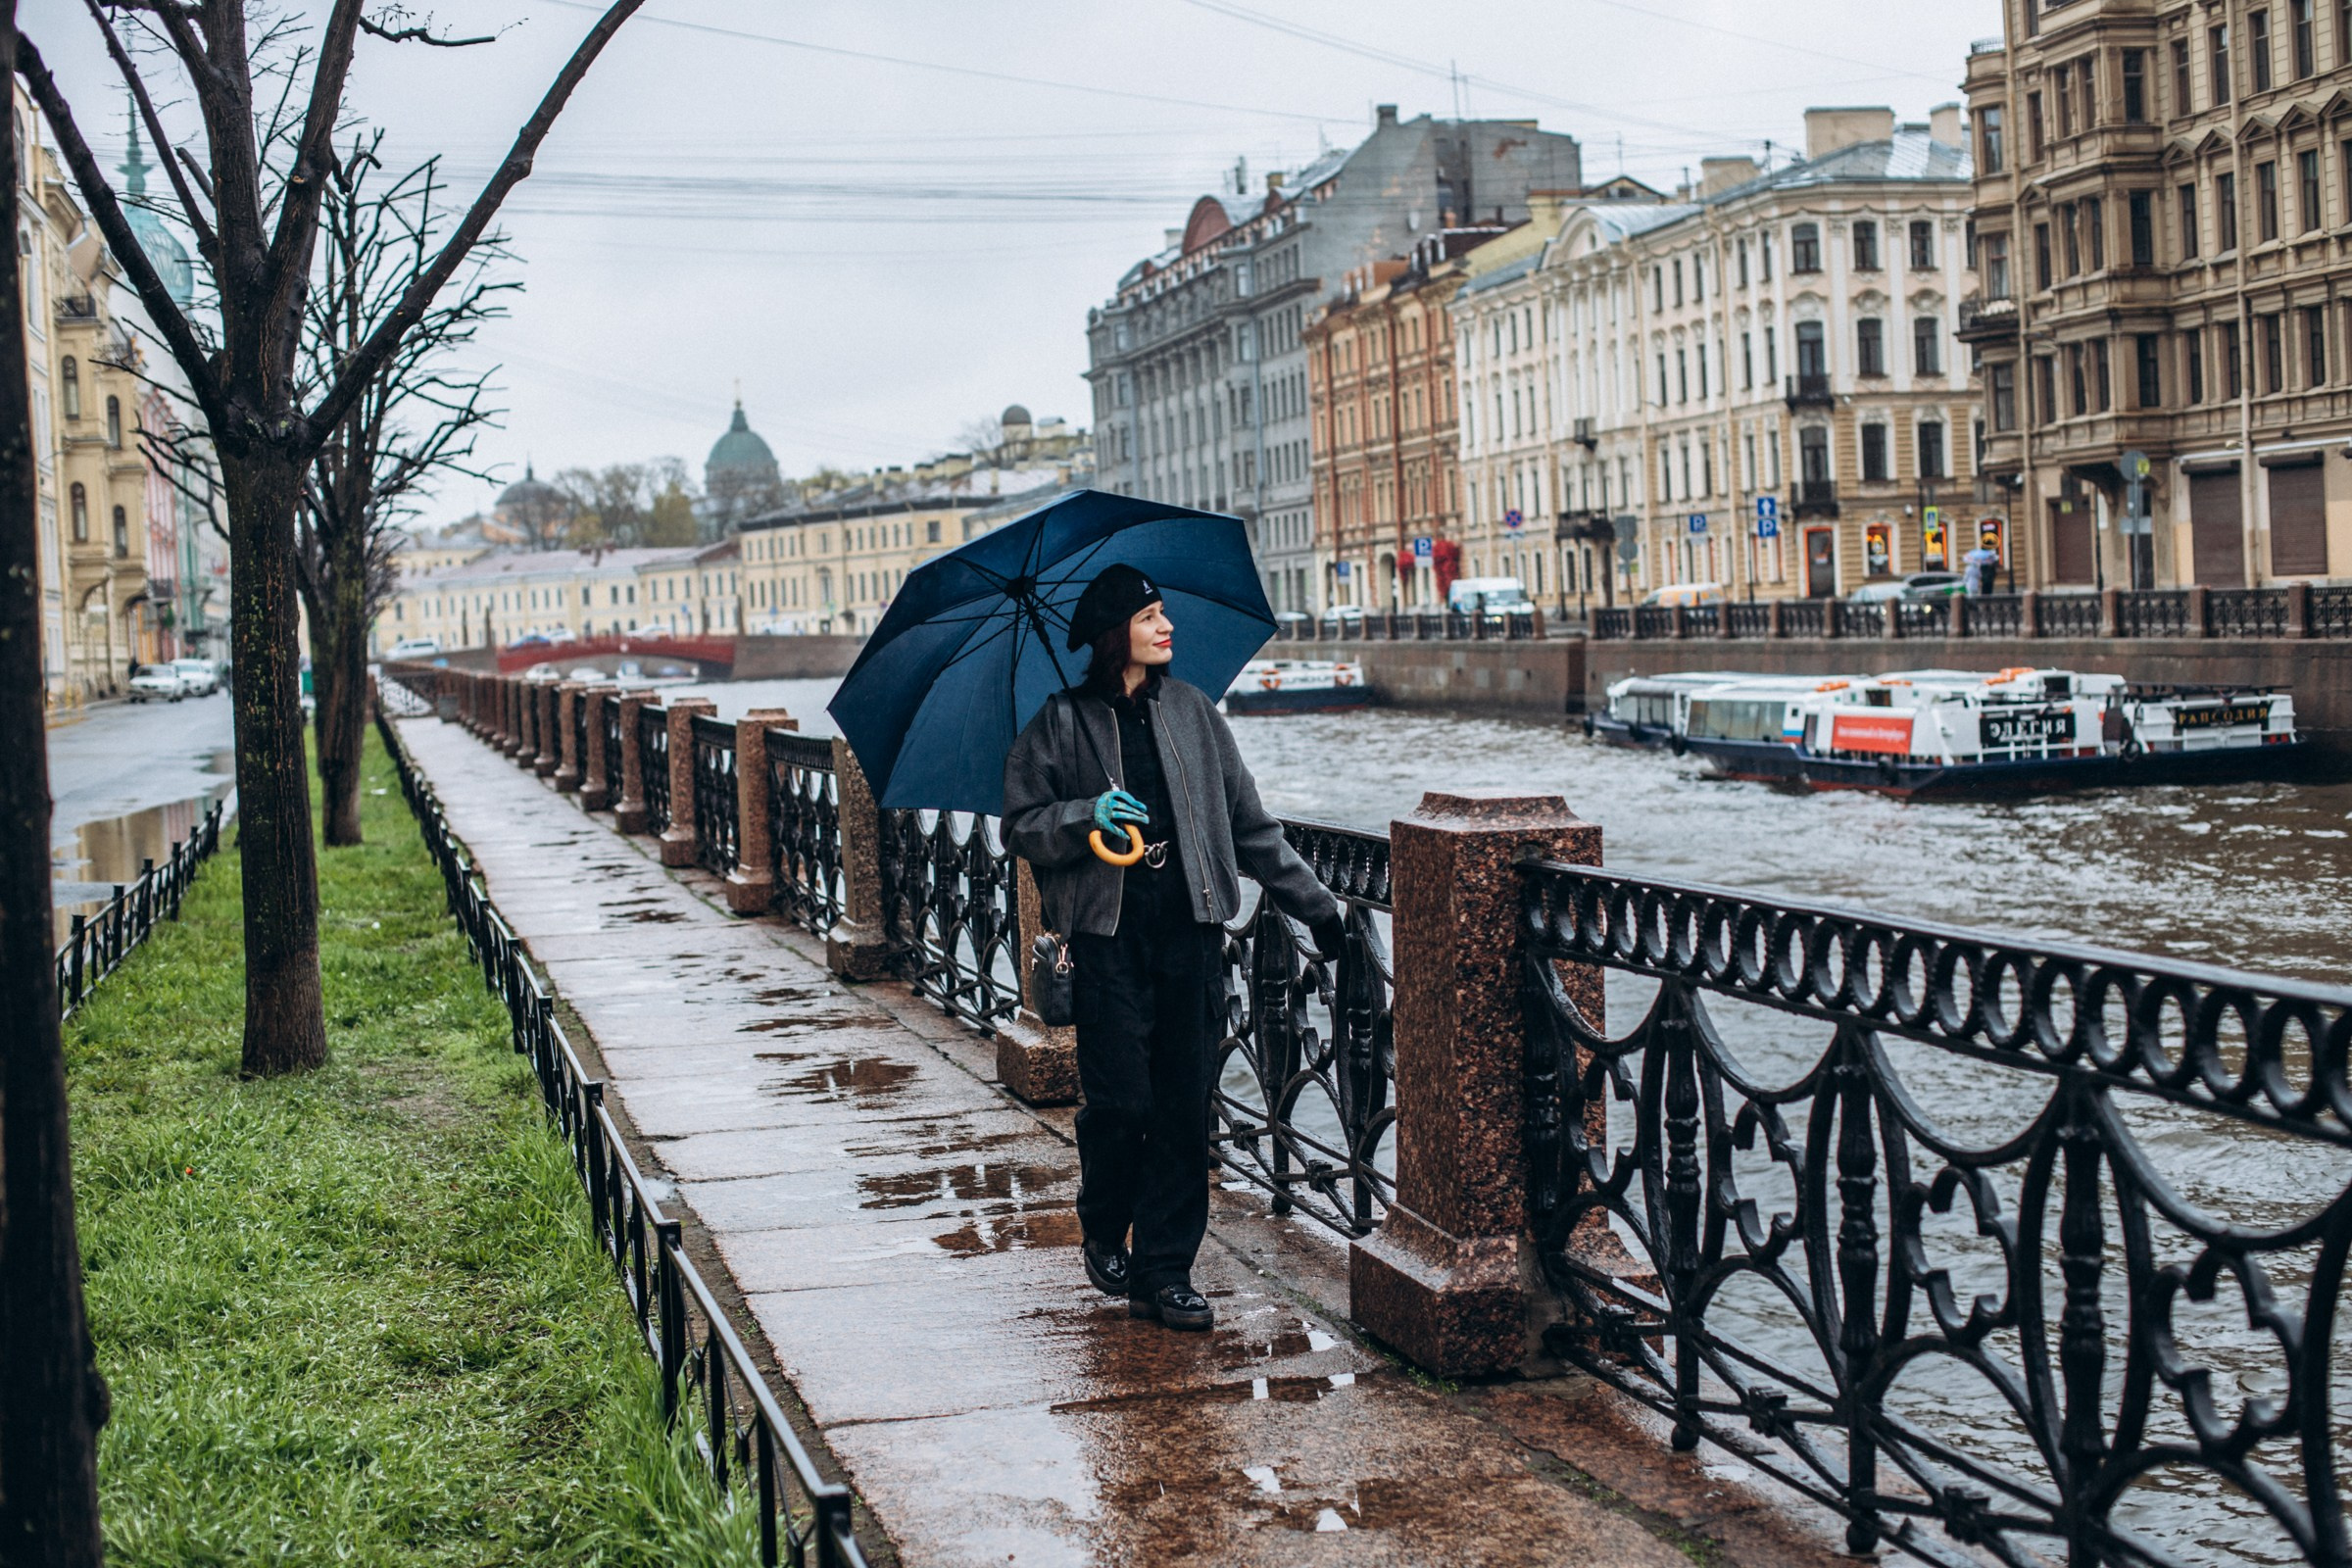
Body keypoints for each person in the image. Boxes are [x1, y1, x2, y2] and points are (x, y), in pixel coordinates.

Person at [1004, 564, 1344, 1332]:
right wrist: (1087, 811)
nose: (1167, 627)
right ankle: (1102, 1219)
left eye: (1164, 612)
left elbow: (1250, 827)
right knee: (1122, 1103)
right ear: (1113, 632)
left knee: (1185, 1110)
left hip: (1189, 931)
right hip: (1107, 939)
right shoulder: (1061, 721)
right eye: (1151, 615)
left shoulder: (1195, 712)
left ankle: (1167, 1271)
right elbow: (1021, 825)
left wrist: (1317, 908)